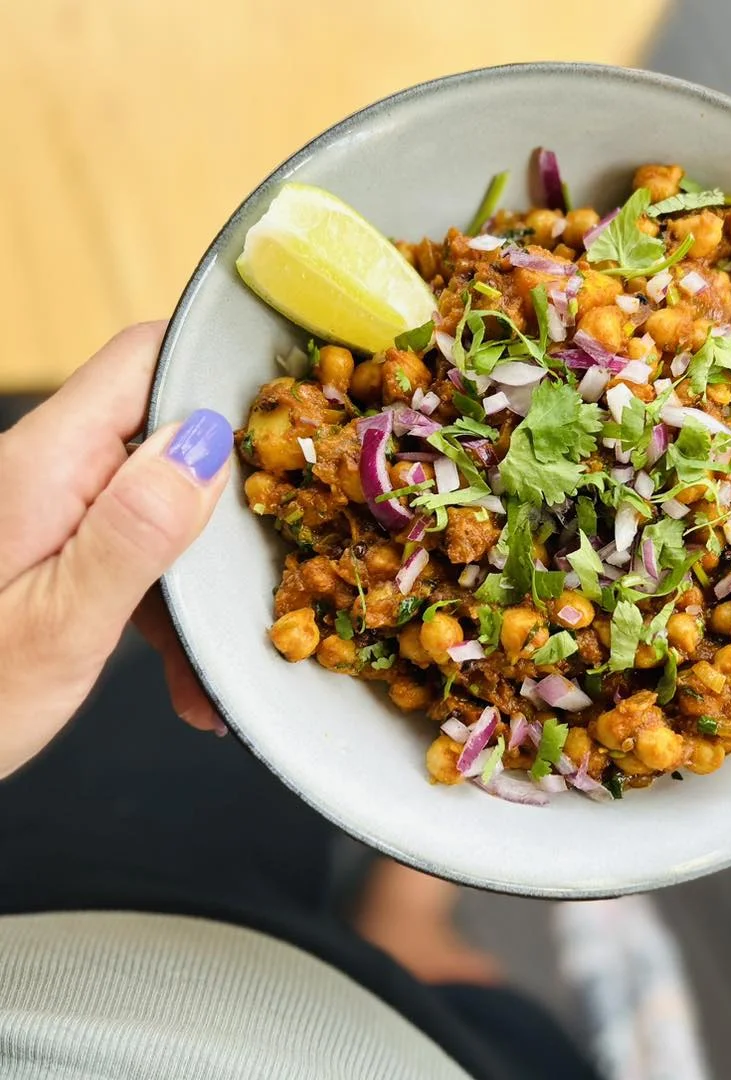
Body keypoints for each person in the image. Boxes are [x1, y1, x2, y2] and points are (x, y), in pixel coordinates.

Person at [0, 323, 601, 1080]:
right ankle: (406, 929)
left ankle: (401, 922)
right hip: (416, 1049)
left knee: (183, 763)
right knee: (516, 1043)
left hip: (59, 910)